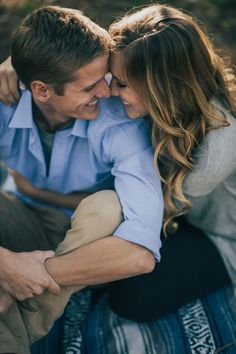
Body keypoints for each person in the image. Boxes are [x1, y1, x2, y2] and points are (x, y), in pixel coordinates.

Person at [0, 5, 163, 354]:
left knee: (109, 207)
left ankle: (17, 329)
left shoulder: (119, 122)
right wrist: (5, 264)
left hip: (87, 238)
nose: (107, 94)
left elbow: (141, 251)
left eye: (105, 78)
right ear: (41, 90)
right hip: (19, 216)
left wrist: (27, 278)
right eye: (90, 87)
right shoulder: (5, 102)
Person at [103, 3, 235, 321]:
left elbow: (155, 206)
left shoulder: (219, 142)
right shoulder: (157, 109)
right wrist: (17, 65)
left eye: (121, 83)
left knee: (131, 298)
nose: (109, 90)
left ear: (162, 88)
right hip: (180, 211)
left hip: (219, 234)